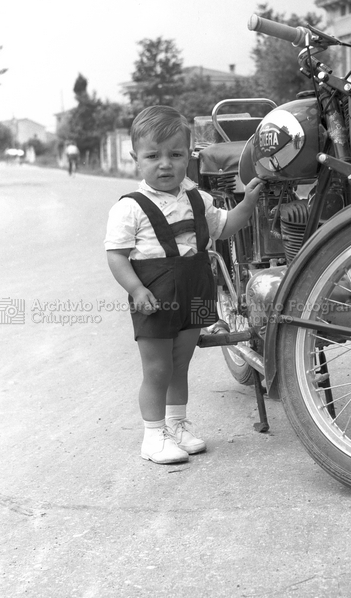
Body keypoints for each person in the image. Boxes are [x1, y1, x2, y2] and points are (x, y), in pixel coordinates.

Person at [104, 105, 262, 464]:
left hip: (194, 290)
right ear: (136, 159)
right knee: (157, 368)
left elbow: (225, 226)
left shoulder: (198, 199)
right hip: (155, 296)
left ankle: (176, 424)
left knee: (180, 363)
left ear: (188, 156)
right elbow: (116, 255)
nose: (165, 164)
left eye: (175, 155)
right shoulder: (130, 208)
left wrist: (248, 204)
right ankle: (152, 435)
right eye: (153, 156)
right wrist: (135, 289)